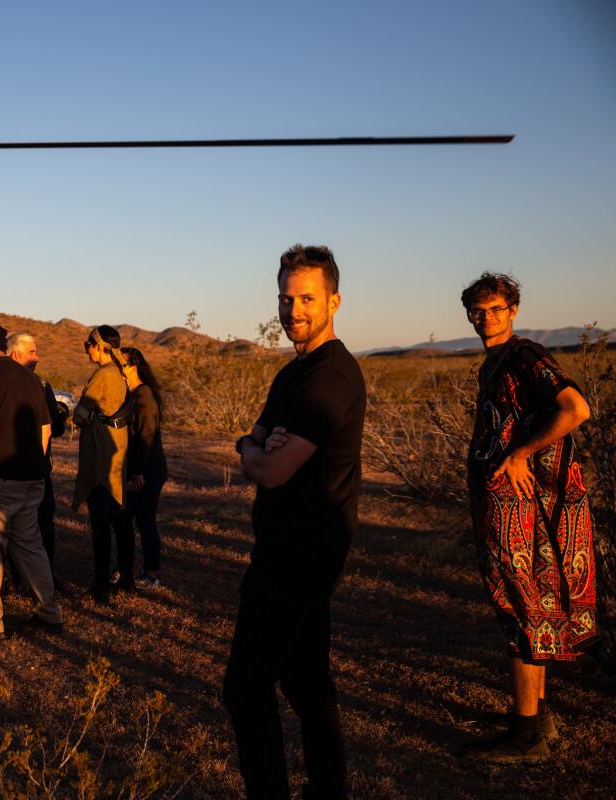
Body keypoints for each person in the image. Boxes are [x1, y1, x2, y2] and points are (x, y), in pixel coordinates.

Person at [223, 245, 364, 800]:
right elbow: (255, 439)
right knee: (307, 683)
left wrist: (255, 452)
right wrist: (250, 443)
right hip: (294, 545)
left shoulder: (329, 377)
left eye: (307, 298)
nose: (294, 309)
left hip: (300, 552)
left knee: (245, 688)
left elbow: (273, 467)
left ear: (334, 300)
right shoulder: (294, 372)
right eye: (286, 298)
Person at [459, 272, 597, 761]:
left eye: (495, 309)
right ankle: (535, 718)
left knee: (521, 610)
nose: (485, 319)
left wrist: (520, 454)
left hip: (523, 508)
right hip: (510, 506)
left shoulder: (525, 356)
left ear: (512, 310)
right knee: (528, 610)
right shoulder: (496, 362)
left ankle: (525, 738)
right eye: (477, 311)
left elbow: (574, 408)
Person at [0, 325, 62, 637]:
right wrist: (37, 466)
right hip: (32, 478)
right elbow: (45, 429)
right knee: (30, 546)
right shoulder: (31, 379)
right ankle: (49, 613)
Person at [72, 325, 133, 603]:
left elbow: (81, 414)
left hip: (101, 455)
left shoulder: (103, 374)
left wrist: (80, 415)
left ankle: (101, 586)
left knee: (101, 522)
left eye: (88, 344)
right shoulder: (120, 372)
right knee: (120, 519)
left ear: (99, 347)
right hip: (118, 450)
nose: (87, 349)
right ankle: (127, 577)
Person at [7, 332, 69, 568]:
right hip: (8, 468)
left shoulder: (43, 385)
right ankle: (11, 575)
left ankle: (47, 574)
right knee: (10, 524)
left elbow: (56, 427)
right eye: (32, 352)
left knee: (44, 520)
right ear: (15, 355)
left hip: (40, 467)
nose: (37, 358)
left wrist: (59, 419)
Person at [118, 347, 168, 589]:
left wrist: (138, 472)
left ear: (133, 367)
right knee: (129, 518)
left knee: (145, 520)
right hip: (139, 468)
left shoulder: (144, 396)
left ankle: (152, 573)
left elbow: (146, 437)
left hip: (148, 470)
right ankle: (124, 568)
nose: (119, 369)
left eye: (123, 364)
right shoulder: (134, 395)